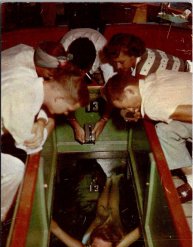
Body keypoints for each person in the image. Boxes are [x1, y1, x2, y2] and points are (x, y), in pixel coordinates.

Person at [1, 61, 90, 222]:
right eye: (68, 109)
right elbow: (33, 145)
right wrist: (50, 123)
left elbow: (37, 102)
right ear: (59, 98)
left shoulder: (29, 72)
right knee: (15, 169)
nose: (65, 113)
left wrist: (42, 121)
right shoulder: (22, 106)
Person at [103, 70, 192, 199]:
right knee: (165, 128)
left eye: (125, 106)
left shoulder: (152, 106)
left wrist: (147, 112)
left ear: (129, 91)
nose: (128, 109)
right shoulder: (154, 76)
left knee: (163, 131)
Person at [51, 174, 140, 247]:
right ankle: (108, 182)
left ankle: (114, 181)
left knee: (113, 211)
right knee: (101, 215)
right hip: (94, 242)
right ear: (90, 244)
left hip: (112, 240)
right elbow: (56, 229)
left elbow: (141, 231)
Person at [102, 32, 190, 122]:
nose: (118, 67)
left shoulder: (144, 72)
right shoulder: (145, 52)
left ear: (133, 55)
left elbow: (147, 105)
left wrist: (131, 112)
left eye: (121, 62)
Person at [60, 28, 115, 144]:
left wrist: (104, 120)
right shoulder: (62, 54)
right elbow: (63, 93)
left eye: (85, 71)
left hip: (97, 40)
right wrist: (74, 123)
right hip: (70, 36)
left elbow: (113, 90)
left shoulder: (105, 52)